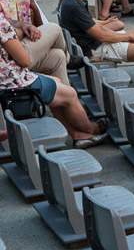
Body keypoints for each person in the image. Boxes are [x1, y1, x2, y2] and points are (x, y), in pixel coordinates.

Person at [0, 13, 107, 148]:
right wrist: (18, 35)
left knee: (56, 80)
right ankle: (91, 130)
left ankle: (77, 134)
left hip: (7, 81)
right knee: (70, 94)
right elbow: (25, 60)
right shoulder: (1, 24)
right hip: (13, 84)